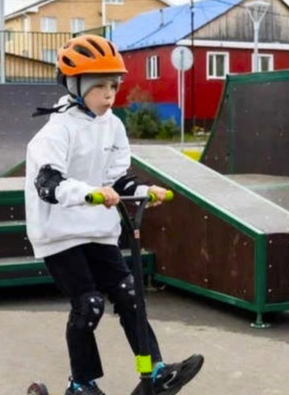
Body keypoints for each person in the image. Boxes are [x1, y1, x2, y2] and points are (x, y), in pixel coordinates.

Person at [25, 35, 204, 395]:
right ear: (75, 86)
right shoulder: (55, 132)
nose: (109, 94)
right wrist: (88, 194)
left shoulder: (114, 126)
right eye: (100, 87)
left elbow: (117, 178)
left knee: (128, 293)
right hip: (59, 234)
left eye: (114, 85)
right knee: (89, 304)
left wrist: (141, 191)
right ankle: (81, 384)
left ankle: (152, 372)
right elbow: (48, 183)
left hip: (99, 231)